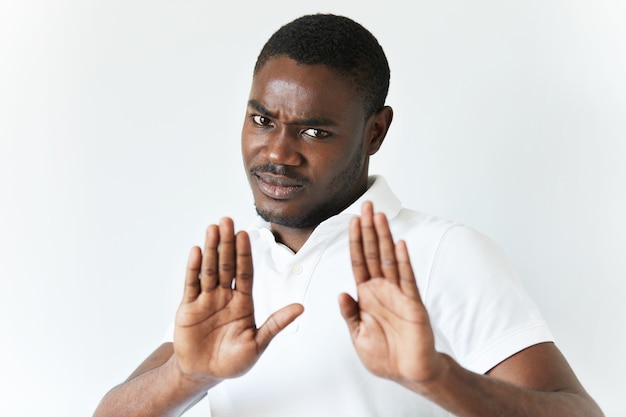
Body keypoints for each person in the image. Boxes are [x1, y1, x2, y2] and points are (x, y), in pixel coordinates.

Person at [93, 14, 603, 417]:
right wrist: (187, 376)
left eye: (314, 132)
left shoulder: (442, 253)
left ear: (375, 132)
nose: (278, 151)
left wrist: (437, 378)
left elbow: (578, 411)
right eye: (262, 119)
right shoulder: (233, 268)